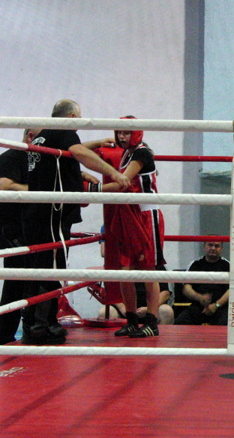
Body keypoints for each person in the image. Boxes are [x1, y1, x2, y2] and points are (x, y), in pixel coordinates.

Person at [22, 100, 130, 345]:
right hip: (51, 212)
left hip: (40, 212)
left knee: (42, 268)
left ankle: (38, 324)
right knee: (50, 269)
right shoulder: (62, 131)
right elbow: (80, 153)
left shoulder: (44, 135)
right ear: (71, 117)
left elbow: (72, 151)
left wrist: (97, 144)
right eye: (79, 118)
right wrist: (113, 172)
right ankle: (41, 327)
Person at [90, 117, 166, 338]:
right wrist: (99, 142)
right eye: (119, 132)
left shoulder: (143, 153)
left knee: (147, 270)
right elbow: (77, 150)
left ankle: (151, 322)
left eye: (126, 133)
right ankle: (131, 320)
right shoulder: (125, 153)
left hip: (146, 215)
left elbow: (122, 182)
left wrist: (91, 190)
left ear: (136, 133)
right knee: (125, 271)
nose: (121, 137)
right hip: (127, 215)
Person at [0, 129, 38, 344]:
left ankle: (29, 330)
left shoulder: (36, 160)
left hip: (27, 228)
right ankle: (5, 334)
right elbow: (3, 187)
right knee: (16, 281)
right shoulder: (11, 157)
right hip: (11, 229)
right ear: (30, 136)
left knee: (29, 281)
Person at [174, 241, 231, 325]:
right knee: (180, 322)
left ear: (221, 248)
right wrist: (200, 298)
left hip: (221, 307)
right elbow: (186, 288)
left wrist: (216, 305)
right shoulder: (195, 264)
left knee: (228, 323)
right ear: (204, 246)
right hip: (197, 306)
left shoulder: (228, 265)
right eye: (210, 245)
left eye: (217, 246)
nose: (213, 248)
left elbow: (232, 290)